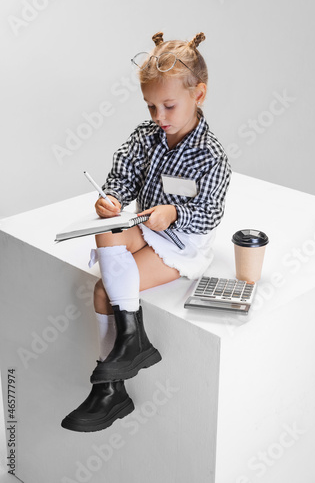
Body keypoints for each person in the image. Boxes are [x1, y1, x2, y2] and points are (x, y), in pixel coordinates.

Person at [61, 31, 231, 432]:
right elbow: (123, 175)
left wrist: (174, 213)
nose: (159, 117)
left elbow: (208, 213)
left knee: (104, 291)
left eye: (168, 105)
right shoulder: (145, 137)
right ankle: (131, 344)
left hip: (183, 241)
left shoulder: (211, 156)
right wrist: (114, 199)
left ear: (199, 95)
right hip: (144, 224)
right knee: (105, 224)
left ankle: (111, 388)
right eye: (151, 106)